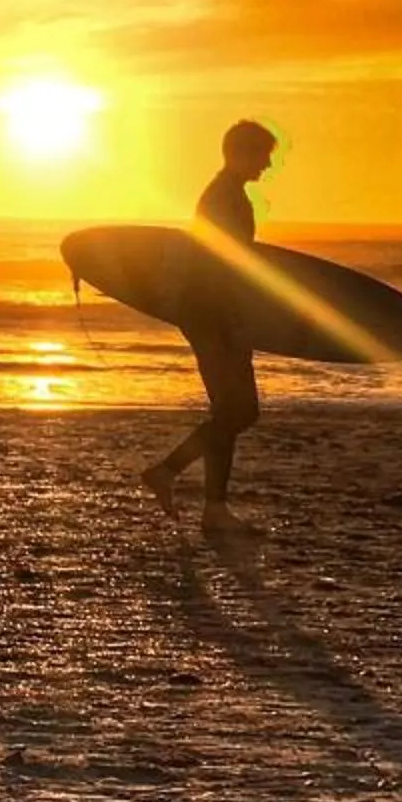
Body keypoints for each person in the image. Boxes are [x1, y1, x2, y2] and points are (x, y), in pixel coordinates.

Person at [143, 119, 277, 534]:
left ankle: (209, 506)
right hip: (213, 315)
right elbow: (222, 267)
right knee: (238, 410)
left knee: (234, 412)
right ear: (242, 153)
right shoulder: (224, 199)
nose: (268, 164)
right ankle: (172, 477)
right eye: (263, 155)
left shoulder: (227, 195)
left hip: (214, 313)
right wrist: (234, 321)